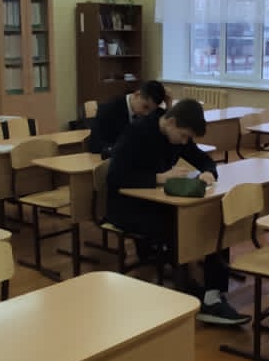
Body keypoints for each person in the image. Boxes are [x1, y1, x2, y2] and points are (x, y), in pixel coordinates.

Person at [104, 99, 249, 326]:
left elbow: (202, 159)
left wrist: (209, 172)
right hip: (126, 207)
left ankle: (214, 293)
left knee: (215, 218)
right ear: (170, 122)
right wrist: (158, 178)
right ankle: (192, 295)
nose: (184, 142)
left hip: (158, 203)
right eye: (183, 136)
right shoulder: (136, 133)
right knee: (180, 226)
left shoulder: (177, 134)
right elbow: (114, 178)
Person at [87, 80, 169, 156]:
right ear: (137, 94)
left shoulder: (150, 112)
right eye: (145, 107)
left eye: (150, 111)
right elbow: (94, 145)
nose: (146, 114)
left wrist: (169, 104)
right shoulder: (109, 108)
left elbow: (165, 134)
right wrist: (123, 149)